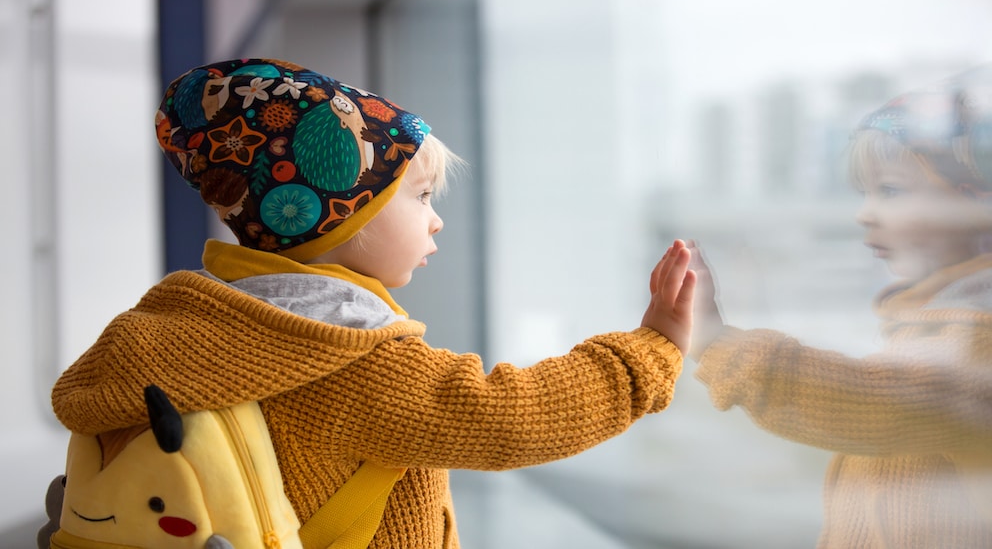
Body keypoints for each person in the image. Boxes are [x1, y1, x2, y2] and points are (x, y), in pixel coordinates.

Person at [48, 58, 695, 548]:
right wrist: (651, 351)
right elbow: (510, 419)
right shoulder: (345, 359)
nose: (436, 221)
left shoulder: (177, 330)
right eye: (419, 197)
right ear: (342, 218)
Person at [689, 66, 992, 548]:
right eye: (864, 193)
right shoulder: (932, 323)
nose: (863, 213)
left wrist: (717, 343)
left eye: (889, 190)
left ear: (977, 203)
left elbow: (875, 399)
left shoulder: (977, 337)